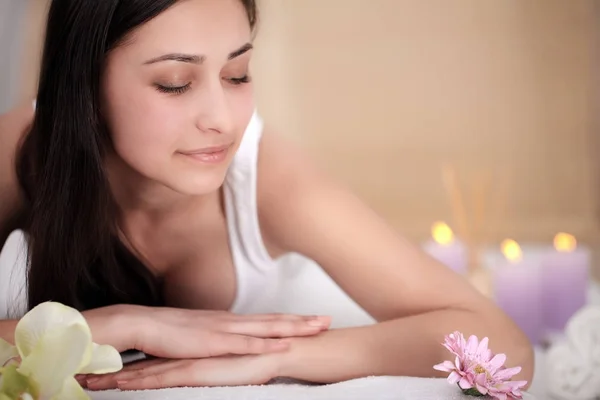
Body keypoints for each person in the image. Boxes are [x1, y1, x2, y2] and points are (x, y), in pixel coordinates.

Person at [0, 0, 534, 391]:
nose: (222, 119)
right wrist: (125, 323)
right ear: (84, 88)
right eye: (174, 83)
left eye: (237, 74)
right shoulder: (21, 154)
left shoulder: (269, 180)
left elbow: (502, 347)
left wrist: (279, 357)